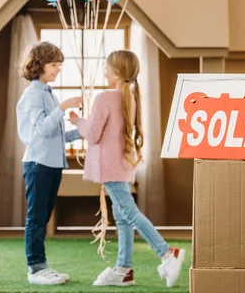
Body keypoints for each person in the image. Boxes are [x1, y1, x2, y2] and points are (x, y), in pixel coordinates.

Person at [70, 49, 185, 288]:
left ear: (115, 72)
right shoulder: (129, 97)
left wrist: (76, 121)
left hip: (109, 166)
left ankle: (167, 253)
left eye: (106, 68)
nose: (104, 72)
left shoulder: (105, 98)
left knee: (129, 213)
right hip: (122, 164)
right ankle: (124, 269)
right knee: (122, 217)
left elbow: (92, 135)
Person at [16, 42, 83, 285]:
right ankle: (35, 269)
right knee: (36, 218)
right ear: (40, 65)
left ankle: (41, 266)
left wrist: (81, 132)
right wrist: (64, 107)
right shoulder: (34, 93)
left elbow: (56, 135)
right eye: (54, 65)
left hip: (51, 164)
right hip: (38, 164)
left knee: (42, 217)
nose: (58, 69)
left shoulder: (46, 92)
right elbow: (42, 130)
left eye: (59, 65)